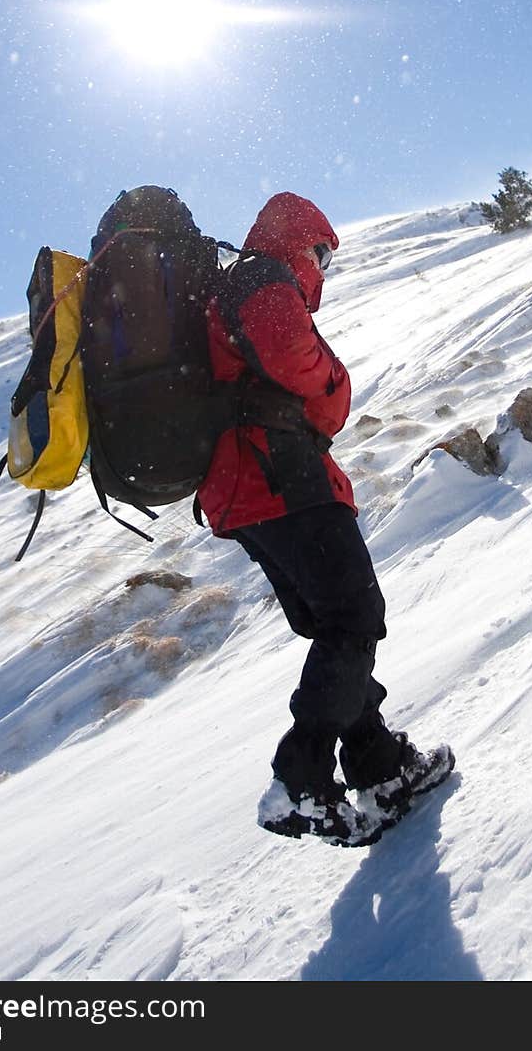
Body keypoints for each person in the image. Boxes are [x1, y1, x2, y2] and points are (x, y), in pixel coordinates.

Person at [196, 191, 454, 846]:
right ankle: (301, 781)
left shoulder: (230, 290)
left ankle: (382, 768)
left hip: (243, 492)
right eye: (322, 255)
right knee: (354, 618)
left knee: (338, 628)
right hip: (279, 477)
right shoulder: (263, 277)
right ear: (301, 244)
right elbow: (289, 355)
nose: (322, 271)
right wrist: (336, 379)